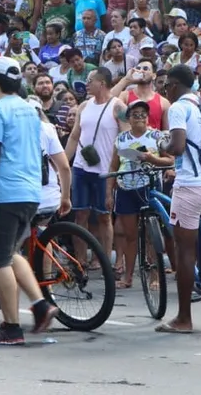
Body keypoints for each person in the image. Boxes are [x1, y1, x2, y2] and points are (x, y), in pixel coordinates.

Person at [0, 57, 64, 345]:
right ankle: (41, 305)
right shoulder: (28, 110)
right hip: (31, 193)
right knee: (11, 254)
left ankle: (11, 327)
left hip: (7, 194)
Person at [158, 65, 201, 333]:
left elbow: (177, 147)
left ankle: (183, 318)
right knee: (195, 239)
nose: (166, 91)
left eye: (166, 87)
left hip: (190, 185)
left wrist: (162, 143)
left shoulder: (177, 108)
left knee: (183, 251)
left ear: (173, 85)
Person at [65, 67, 128, 272]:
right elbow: (75, 136)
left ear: (102, 83)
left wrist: (117, 167)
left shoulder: (118, 106)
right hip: (81, 167)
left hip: (105, 170)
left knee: (104, 215)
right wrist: (63, 164)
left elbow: (126, 139)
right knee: (80, 214)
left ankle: (103, 260)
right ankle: (80, 260)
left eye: (90, 80)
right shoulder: (84, 106)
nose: (86, 84)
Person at [106, 99, 171, 289]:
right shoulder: (121, 139)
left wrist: (152, 159)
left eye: (143, 113)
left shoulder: (157, 136)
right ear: (129, 118)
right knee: (130, 235)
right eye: (135, 114)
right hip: (126, 188)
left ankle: (154, 276)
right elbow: (113, 165)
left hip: (149, 187)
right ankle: (128, 277)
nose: (140, 117)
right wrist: (109, 193)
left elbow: (169, 160)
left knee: (152, 234)